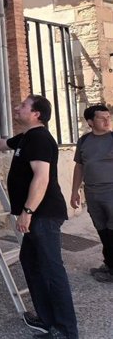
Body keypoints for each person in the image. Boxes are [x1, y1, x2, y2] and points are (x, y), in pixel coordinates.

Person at [0, 95, 78, 339]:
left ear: (36, 114)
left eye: (23, 106)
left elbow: (41, 178)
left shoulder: (40, 139)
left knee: (51, 270)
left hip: (43, 214)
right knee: (32, 264)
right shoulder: (26, 138)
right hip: (37, 215)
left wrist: (27, 212)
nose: (17, 108)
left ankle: (66, 331)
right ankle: (46, 320)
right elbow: (0, 143)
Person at [71, 103, 113, 283]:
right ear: (90, 122)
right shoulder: (84, 141)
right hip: (92, 193)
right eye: (101, 118)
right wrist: (74, 192)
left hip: (111, 192)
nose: (107, 120)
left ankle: (111, 270)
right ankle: (110, 263)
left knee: (112, 232)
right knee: (102, 231)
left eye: (108, 117)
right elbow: (79, 166)